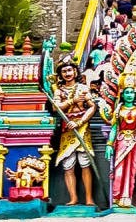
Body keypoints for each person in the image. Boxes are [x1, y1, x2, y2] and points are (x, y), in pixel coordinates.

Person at [53, 54, 97, 205]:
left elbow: (92, 107)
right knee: (68, 165)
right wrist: (72, 100)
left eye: (70, 70)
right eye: (64, 71)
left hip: (82, 127)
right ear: (60, 74)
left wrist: (81, 121)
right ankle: (73, 198)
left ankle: (89, 199)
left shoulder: (83, 88)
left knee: (85, 163)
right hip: (67, 129)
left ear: (76, 72)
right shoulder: (59, 91)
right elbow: (56, 107)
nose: (67, 73)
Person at [104, 75, 136, 208]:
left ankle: (126, 196)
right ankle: (117, 197)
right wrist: (109, 145)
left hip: (135, 142)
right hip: (122, 141)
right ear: (122, 94)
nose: (129, 95)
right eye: (126, 92)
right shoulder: (119, 110)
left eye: (131, 92)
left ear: (135, 93)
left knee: (132, 171)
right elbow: (114, 128)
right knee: (119, 171)